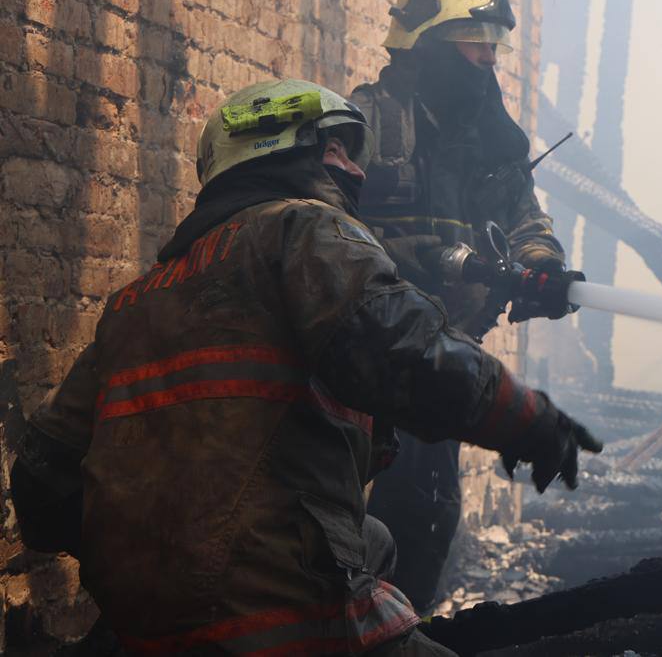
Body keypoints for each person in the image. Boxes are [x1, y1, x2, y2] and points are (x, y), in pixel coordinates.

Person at [9, 79, 601, 655]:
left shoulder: (134, 301)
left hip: (139, 617)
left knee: (373, 540)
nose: (358, 171)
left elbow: (41, 485)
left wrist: (150, 547)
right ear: (277, 151)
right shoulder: (303, 228)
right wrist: (527, 418)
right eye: (338, 148)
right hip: (270, 612)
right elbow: (402, 347)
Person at [352, 0, 581, 610]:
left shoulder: (492, 137)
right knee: (340, 516)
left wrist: (541, 264)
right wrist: (420, 257)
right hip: (360, 358)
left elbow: (525, 215)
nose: (488, 61)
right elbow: (319, 228)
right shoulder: (365, 123)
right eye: (473, 44)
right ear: (428, 46)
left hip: (442, 360)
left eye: (494, 46)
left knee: (429, 514)